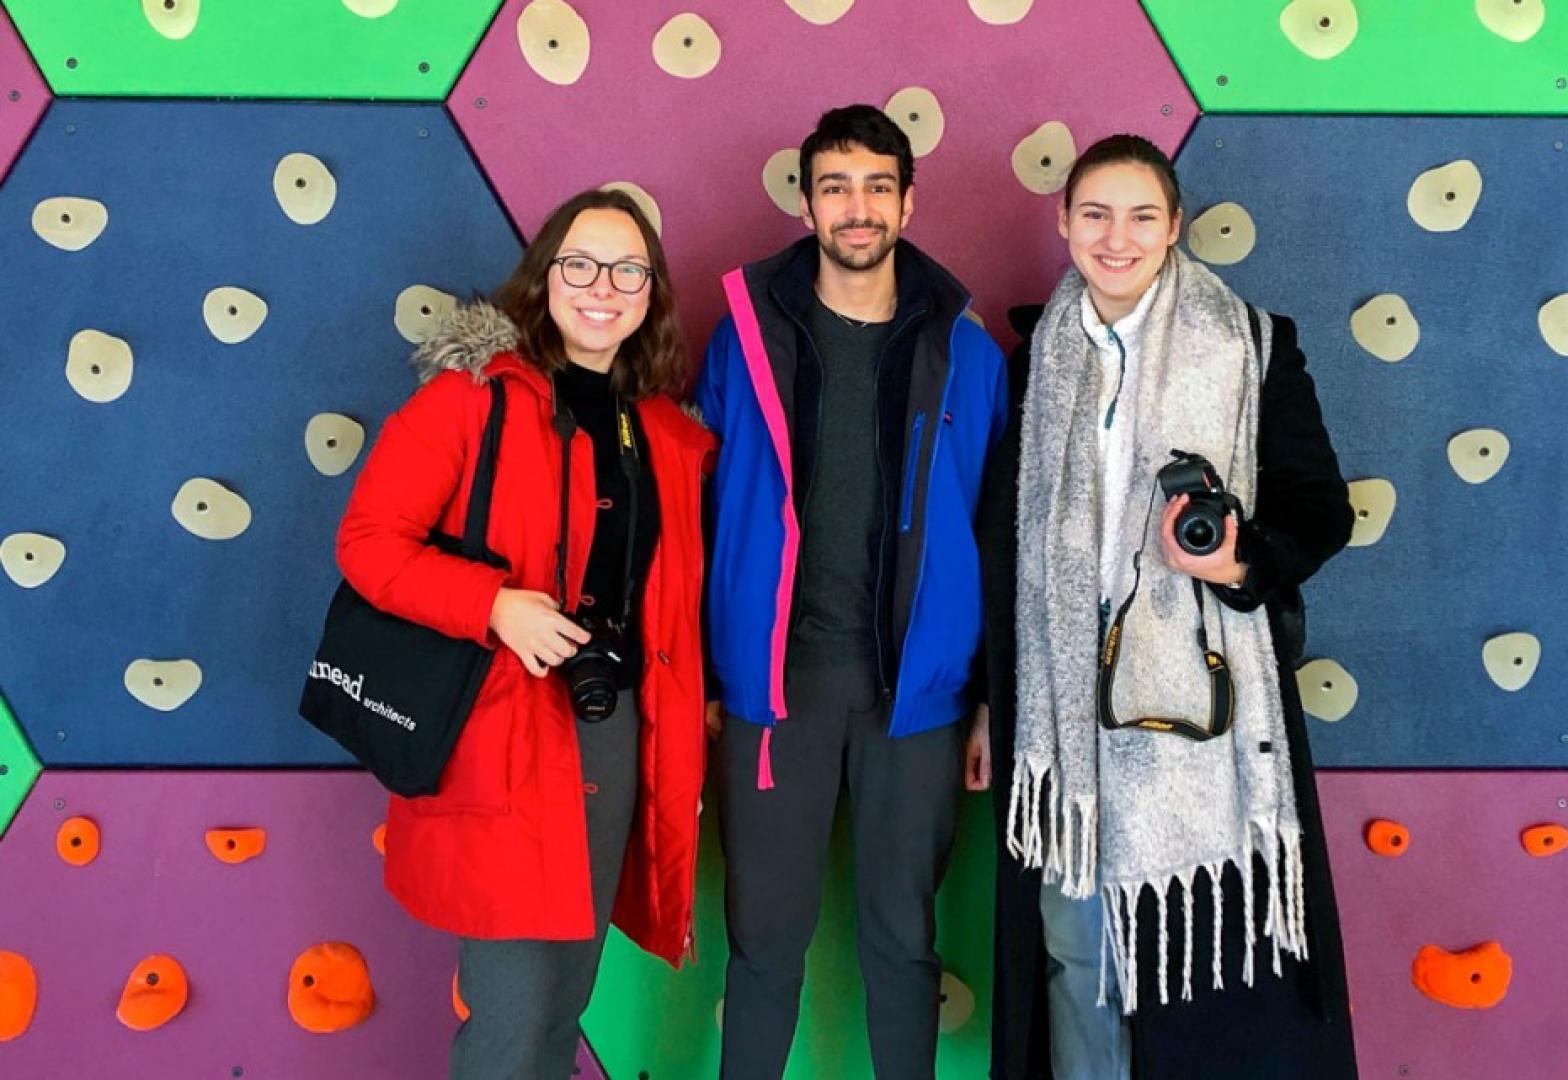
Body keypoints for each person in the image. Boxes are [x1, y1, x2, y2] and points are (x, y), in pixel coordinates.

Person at [984, 134, 1359, 1079]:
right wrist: (994, 699)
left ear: (1175, 226)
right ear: (1064, 223)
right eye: (1096, 214)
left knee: (1207, 970)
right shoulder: (1030, 368)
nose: (1118, 238)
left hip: (1214, 715)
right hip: (1064, 717)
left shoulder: (1253, 346)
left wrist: (1239, 564)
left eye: (1142, 215)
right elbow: (1000, 545)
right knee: (1077, 950)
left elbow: (1323, 513)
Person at [334, 188, 713, 1080]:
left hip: (612, 727)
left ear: (651, 292)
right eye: (579, 264)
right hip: (500, 731)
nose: (602, 287)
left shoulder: (662, 431)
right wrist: (493, 604)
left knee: (564, 1000)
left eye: (629, 269)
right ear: (544, 278)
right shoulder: (469, 400)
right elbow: (368, 544)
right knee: (511, 1010)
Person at [697, 104, 1008, 1079]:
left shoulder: (972, 355)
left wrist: (990, 700)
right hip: (771, 691)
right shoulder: (740, 341)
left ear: (909, 201)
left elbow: (997, 534)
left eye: (878, 185)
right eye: (835, 186)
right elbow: (701, 507)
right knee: (763, 949)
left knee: (901, 945)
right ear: (806, 201)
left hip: (918, 695)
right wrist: (701, 676)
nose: (857, 206)